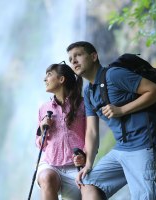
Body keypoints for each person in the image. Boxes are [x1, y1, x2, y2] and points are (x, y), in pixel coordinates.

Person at [67, 41, 156, 200]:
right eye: (71, 59)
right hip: (122, 148)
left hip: (145, 144)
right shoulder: (88, 92)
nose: (74, 61)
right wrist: (88, 164)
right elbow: (92, 131)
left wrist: (121, 110)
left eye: (78, 55)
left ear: (93, 56)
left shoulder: (114, 75)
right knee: (88, 183)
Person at [35, 62, 86, 200]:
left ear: (61, 79)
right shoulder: (43, 109)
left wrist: (85, 155)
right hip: (51, 164)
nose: (45, 79)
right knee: (46, 177)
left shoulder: (83, 104)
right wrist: (42, 128)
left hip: (76, 166)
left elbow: (91, 135)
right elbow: (40, 144)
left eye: (49, 75)